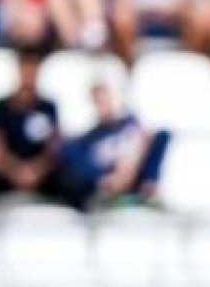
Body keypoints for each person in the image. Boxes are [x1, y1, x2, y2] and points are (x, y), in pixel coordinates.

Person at [0, 48, 88, 210]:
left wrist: (36, 171)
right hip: (8, 171)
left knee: (75, 184)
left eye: (33, 71)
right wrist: (16, 172)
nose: (29, 76)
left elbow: (53, 147)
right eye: (26, 70)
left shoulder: (48, 107)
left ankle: (77, 230)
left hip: (41, 173)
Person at [57, 78, 171, 210]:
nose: (104, 105)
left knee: (162, 136)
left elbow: (141, 143)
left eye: (106, 99)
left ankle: (147, 190)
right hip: (104, 183)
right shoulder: (89, 138)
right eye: (99, 101)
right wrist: (105, 180)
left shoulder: (130, 125)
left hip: (133, 175)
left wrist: (127, 170)